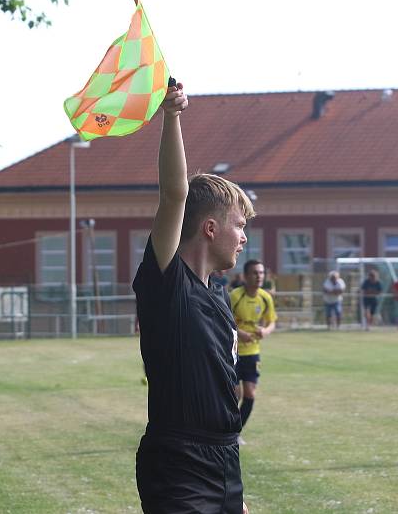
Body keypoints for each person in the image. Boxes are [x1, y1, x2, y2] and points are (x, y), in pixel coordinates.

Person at [132, 81, 253, 514]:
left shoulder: (219, 300)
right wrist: (172, 115)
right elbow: (174, 194)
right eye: (239, 225)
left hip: (225, 458)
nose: (243, 238)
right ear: (209, 228)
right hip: (178, 462)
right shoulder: (168, 282)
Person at [230, 260, 277, 442]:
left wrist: (265, 330)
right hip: (232, 352)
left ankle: (235, 432)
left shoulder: (265, 297)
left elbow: (272, 321)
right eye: (255, 273)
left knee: (250, 394)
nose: (259, 276)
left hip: (252, 352)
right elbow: (223, 320)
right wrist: (240, 333)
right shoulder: (235, 296)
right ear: (245, 276)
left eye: (261, 273)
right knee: (235, 394)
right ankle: (227, 430)